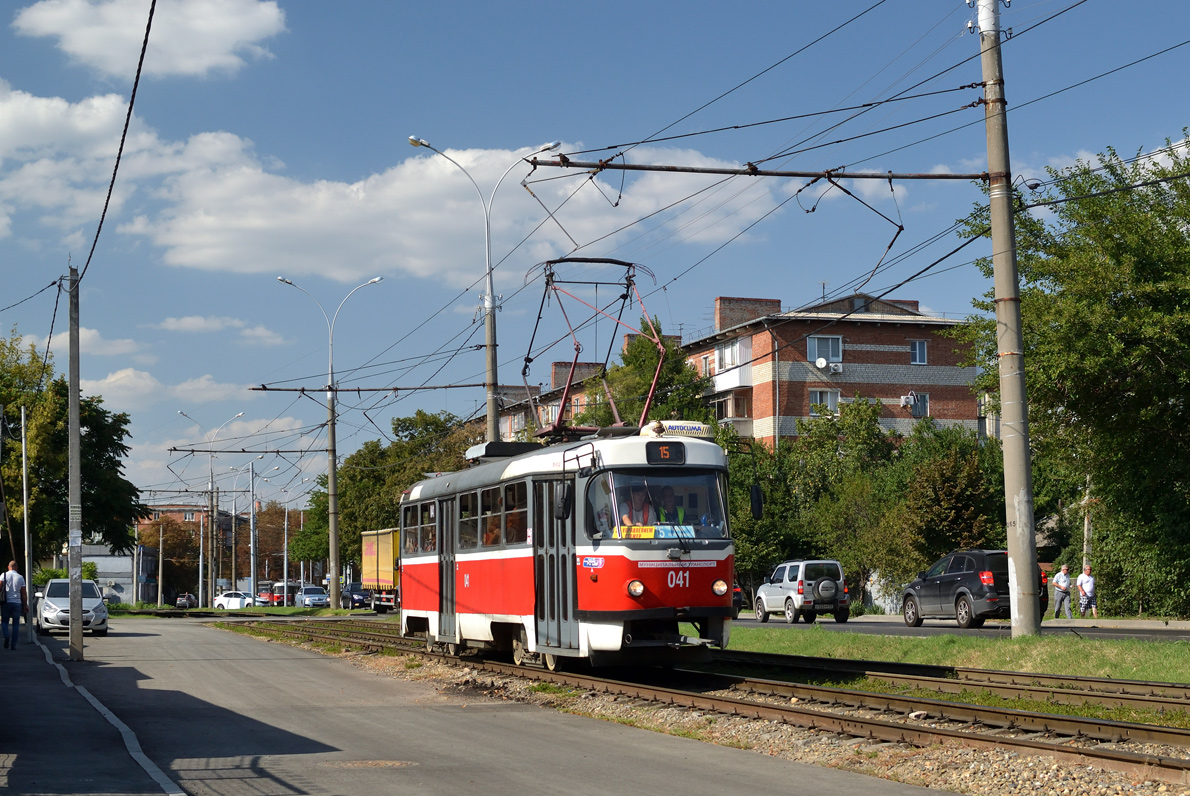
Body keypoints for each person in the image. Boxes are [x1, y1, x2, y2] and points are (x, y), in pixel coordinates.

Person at [2, 561, 28, 649]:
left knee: (5, 622)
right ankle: (13, 645)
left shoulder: (3, 575)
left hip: (6, 602)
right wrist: (25, 605)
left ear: (8, 567)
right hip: (17, 603)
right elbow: (24, 593)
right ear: (16, 567)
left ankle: (6, 635)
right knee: (16, 625)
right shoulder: (20, 577)